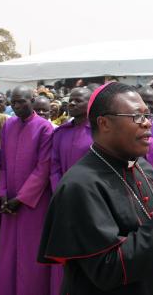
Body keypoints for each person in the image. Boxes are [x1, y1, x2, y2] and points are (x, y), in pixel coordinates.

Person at [38, 82, 153, 295]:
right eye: (136, 116)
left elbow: (151, 241)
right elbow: (107, 268)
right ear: (104, 123)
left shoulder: (145, 169)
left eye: (147, 115)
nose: (147, 124)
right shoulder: (79, 185)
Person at [0, 85, 54, 295]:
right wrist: (2, 194)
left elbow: (43, 168)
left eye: (21, 102)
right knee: (8, 254)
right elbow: (4, 164)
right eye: (14, 102)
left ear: (33, 100)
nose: (17, 106)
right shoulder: (8, 125)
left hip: (32, 204)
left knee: (29, 254)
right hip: (9, 201)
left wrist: (21, 198)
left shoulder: (44, 127)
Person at [49, 87, 93, 295]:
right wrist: (62, 194)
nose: (72, 104)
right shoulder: (60, 133)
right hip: (65, 201)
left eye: (78, 100)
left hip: (92, 202)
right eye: (70, 100)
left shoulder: (99, 132)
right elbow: (54, 167)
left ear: (89, 104)